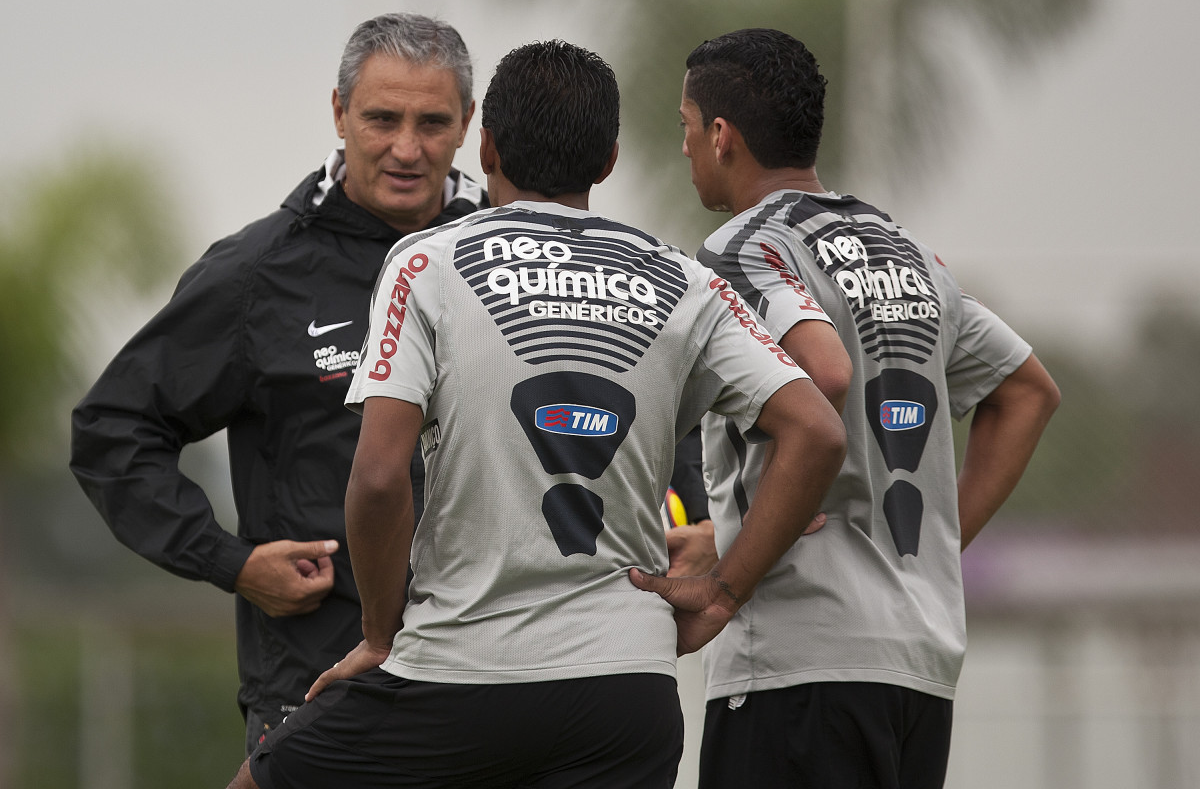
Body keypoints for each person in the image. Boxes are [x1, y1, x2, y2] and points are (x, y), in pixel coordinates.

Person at [227, 39, 846, 789]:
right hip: (628, 692)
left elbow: (382, 476)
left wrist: (379, 635)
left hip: (456, 672)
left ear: (483, 143)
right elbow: (816, 430)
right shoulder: (685, 280)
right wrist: (723, 591)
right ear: (610, 159)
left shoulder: (426, 263)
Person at [68, 12, 488, 754]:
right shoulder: (258, 274)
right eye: (382, 119)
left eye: (432, 122)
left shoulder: (513, 258)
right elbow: (112, 431)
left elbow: (630, 406)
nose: (406, 147)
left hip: (507, 684)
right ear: (338, 112)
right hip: (321, 686)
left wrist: (685, 515)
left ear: (468, 124)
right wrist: (231, 563)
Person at [677, 28, 1061, 789]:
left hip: (800, 665)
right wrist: (933, 548)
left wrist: (731, 567)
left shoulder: (744, 247)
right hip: (917, 669)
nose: (684, 148)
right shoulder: (905, 250)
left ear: (721, 137)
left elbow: (825, 374)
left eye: (685, 129)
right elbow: (1027, 392)